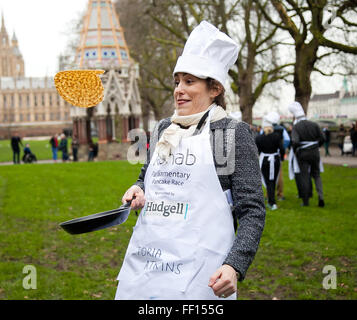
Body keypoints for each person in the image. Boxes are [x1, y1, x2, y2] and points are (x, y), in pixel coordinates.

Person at [115, 21, 266, 300]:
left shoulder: (232, 132)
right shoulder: (163, 128)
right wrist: (138, 189)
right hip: (146, 265)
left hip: (200, 275)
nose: (178, 90)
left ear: (215, 89)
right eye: (177, 82)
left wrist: (235, 265)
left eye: (189, 81)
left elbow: (253, 210)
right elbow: (147, 176)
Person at [288, 102, 325, 207]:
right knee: (317, 175)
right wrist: (316, 146)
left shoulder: (296, 127)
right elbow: (323, 138)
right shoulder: (314, 124)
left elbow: (295, 141)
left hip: (303, 154)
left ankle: (306, 201)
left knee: (304, 176)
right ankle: (321, 197)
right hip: (314, 152)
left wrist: (295, 151)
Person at [256, 115, 283, 210]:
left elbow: (257, 151)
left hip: (265, 161)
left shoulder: (259, 138)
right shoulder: (277, 136)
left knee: (268, 182)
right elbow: (282, 148)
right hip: (275, 160)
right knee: (272, 181)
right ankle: (272, 201)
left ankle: (271, 201)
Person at [265, 111, 290, 201]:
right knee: (279, 175)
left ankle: (268, 194)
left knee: (267, 175)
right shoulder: (281, 129)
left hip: (266, 154)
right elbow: (287, 140)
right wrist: (281, 149)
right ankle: (280, 194)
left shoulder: (266, 128)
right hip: (277, 154)